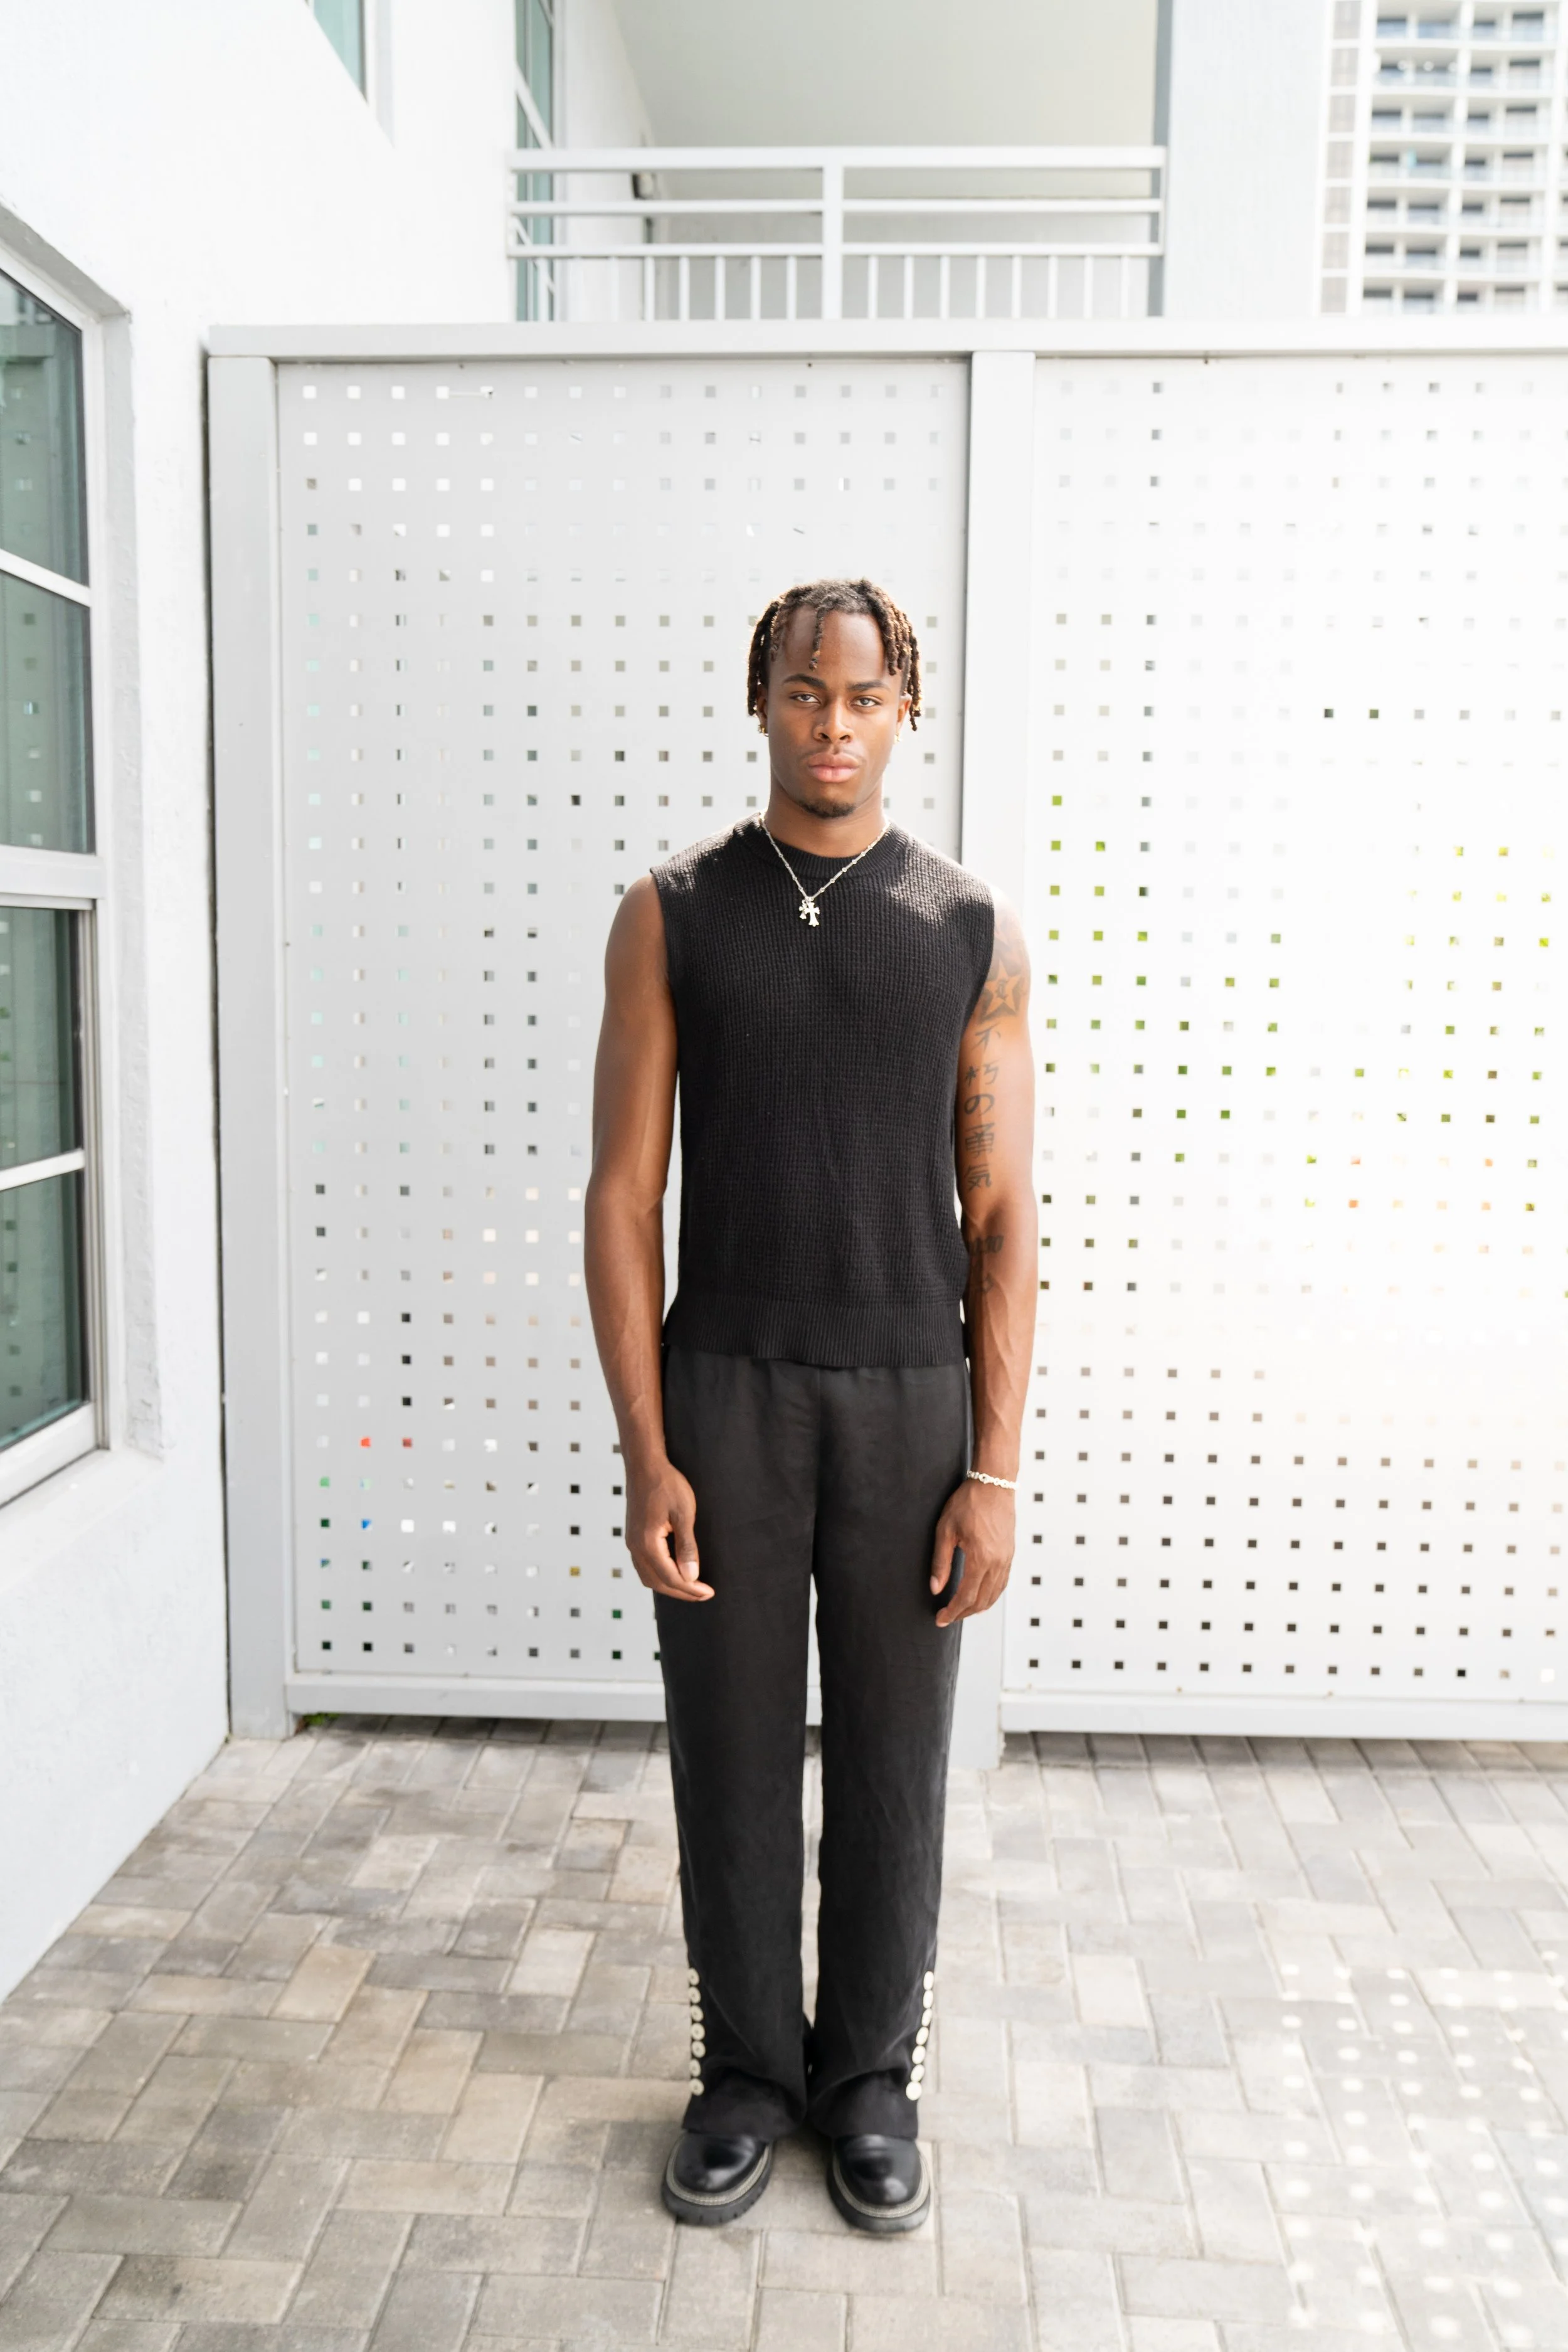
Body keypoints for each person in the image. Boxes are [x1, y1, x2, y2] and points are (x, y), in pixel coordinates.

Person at [583, 577, 1034, 2233]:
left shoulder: (968, 930)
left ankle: (867, 2079)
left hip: (915, 1392)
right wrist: (648, 1446)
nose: (829, 721)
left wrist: (990, 1463)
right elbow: (621, 1194)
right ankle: (746, 2071)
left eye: (860, 693)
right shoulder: (675, 912)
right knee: (732, 1742)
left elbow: (999, 1216)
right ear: (758, 699)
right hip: (728, 1387)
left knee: (900, 1754)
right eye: (800, 690)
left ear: (905, 706)